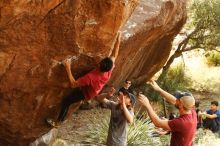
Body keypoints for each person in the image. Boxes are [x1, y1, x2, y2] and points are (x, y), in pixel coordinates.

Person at [46, 32, 121, 127]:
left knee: (66, 101)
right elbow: (115, 54)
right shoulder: (108, 70)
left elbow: (73, 84)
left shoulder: (91, 77)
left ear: (99, 65)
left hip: (87, 93)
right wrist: (118, 38)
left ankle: (58, 122)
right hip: (94, 88)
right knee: (68, 86)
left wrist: (68, 68)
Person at [138, 80, 197, 146]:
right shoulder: (192, 112)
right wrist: (159, 89)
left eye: (178, 100)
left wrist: (147, 104)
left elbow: (157, 123)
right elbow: (174, 100)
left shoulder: (181, 122)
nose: (175, 100)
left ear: (180, 105)